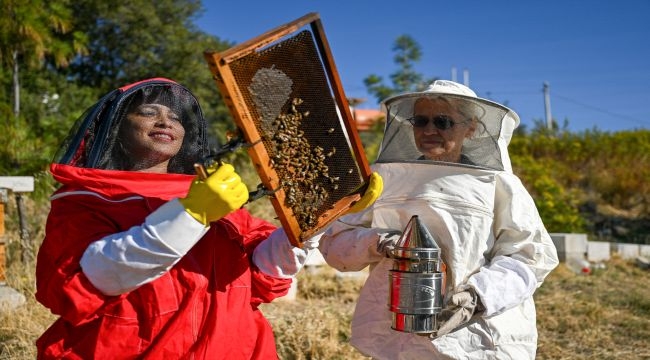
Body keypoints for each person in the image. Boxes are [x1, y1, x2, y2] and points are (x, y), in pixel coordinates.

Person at [34, 77, 381, 359]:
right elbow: (93, 279)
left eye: (175, 118)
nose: (165, 121)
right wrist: (191, 214)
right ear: (118, 130)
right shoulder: (86, 199)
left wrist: (316, 216)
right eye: (149, 113)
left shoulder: (212, 196)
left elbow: (264, 273)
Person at [319, 80, 559, 359]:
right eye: (420, 121)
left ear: (470, 128)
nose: (429, 130)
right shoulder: (382, 179)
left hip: (476, 337)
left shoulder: (498, 184)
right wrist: (378, 243)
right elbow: (335, 244)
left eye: (443, 121)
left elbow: (531, 257)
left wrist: (476, 298)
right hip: (396, 335)